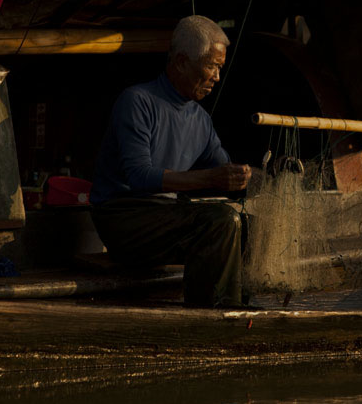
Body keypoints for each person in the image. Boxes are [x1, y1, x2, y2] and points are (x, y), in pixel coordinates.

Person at [90, 15, 251, 307]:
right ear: (180, 62)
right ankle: (209, 316)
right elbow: (139, 176)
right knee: (221, 221)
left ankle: (237, 310)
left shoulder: (201, 119)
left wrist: (245, 177)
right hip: (124, 219)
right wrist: (211, 179)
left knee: (248, 224)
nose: (216, 76)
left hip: (167, 216)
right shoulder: (137, 101)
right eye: (212, 66)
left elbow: (225, 172)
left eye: (220, 68)